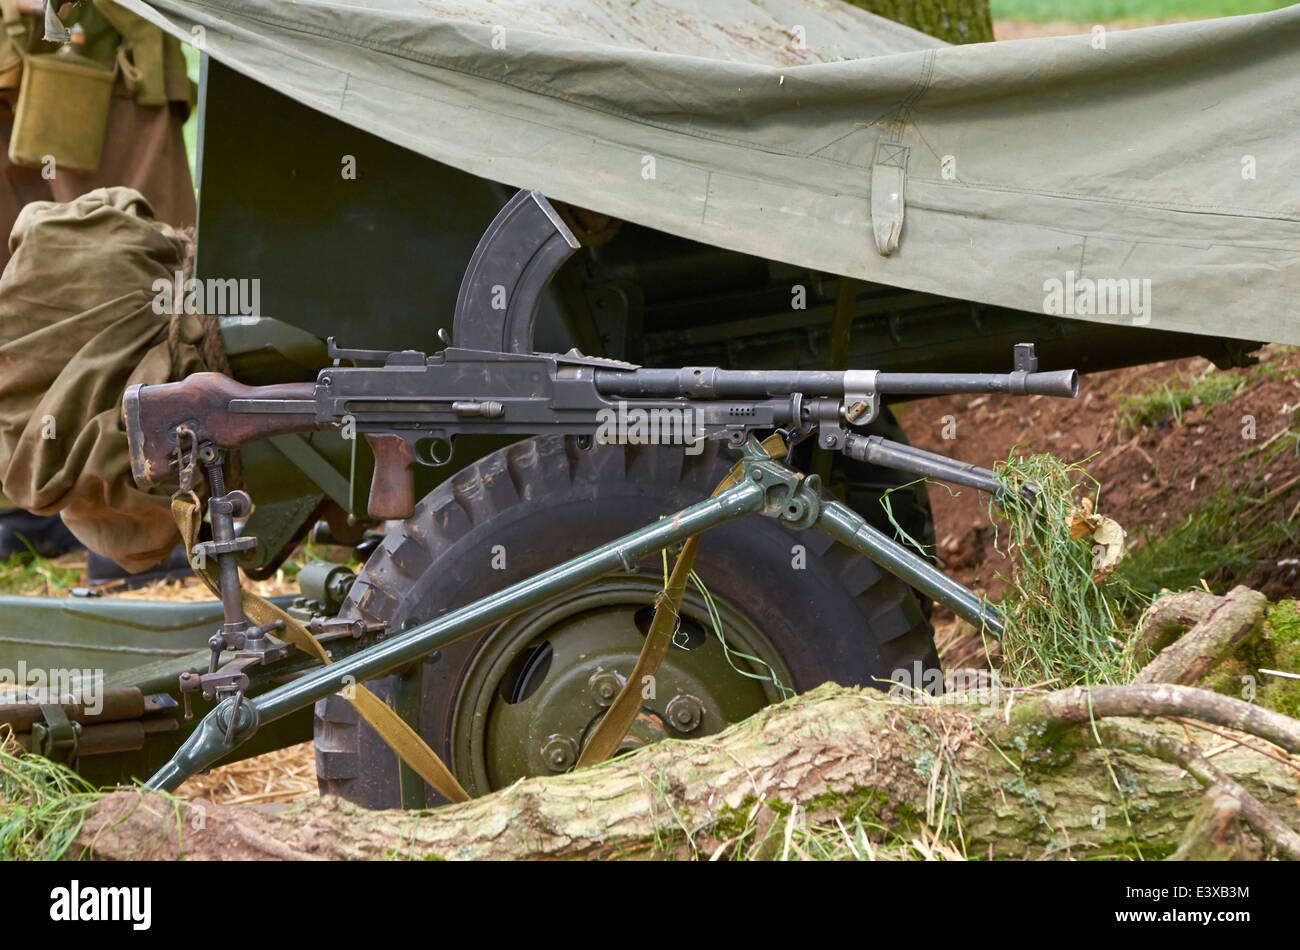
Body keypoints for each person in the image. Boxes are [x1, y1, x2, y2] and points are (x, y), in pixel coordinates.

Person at [0, 0, 195, 568]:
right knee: (28, 288)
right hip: (17, 52)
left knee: (124, 274)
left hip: (109, 46)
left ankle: (137, 519)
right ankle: (41, 502)